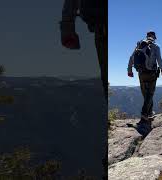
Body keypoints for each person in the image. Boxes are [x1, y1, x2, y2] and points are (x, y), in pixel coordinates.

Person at [59, 0, 107, 179]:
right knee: (105, 82)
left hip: (102, 29)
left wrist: (67, 26)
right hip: (105, 28)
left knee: (105, 81)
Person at [127, 31, 162, 136]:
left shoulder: (139, 44)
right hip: (152, 73)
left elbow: (131, 57)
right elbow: (159, 60)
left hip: (141, 73)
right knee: (150, 93)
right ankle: (145, 115)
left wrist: (129, 70)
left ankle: (149, 113)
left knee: (145, 93)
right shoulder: (155, 46)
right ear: (154, 37)